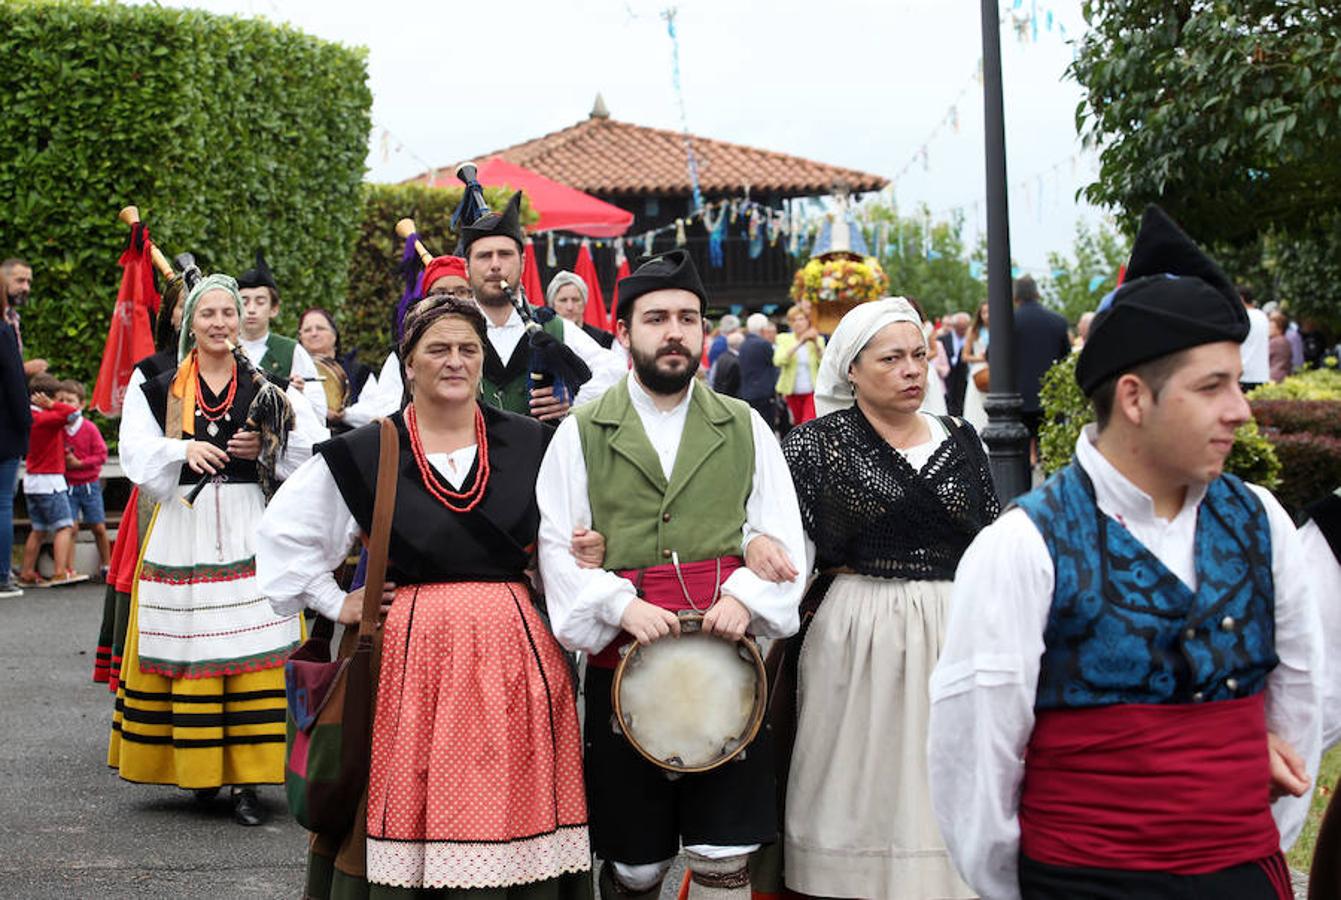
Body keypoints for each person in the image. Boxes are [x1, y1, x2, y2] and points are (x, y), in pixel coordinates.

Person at [927, 206, 1322, 900]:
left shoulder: (1259, 520)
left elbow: (1301, 699)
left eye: (1237, 382)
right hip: (1081, 884)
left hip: (1243, 873)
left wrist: (1239, 831)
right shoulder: (1024, 546)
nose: (1240, 410)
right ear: (1134, 398)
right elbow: (975, 758)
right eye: (1212, 387)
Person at [257, 295, 592, 898]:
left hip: (516, 654)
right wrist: (336, 604)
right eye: (438, 349)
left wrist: (581, 555)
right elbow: (283, 537)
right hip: (409, 660)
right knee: (407, 795)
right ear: (408, 364)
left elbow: (561, 545)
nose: (455, 361)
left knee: (510, 795)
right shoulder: (369, 450)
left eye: (469, 349)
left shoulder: (534, 444)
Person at [537, 249, 806, 900]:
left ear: (704, 334)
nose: (675, 331)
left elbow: (784, 535)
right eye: (656, 317)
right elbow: (554, 543)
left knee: (723, 851)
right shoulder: (581, 432)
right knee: (635, 861)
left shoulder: (744, 426)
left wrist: (745, 593)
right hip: (626, 666)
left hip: (727, 668)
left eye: (689, 318)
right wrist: (616, 604)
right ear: (625, 332)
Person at [775, 297, 999, 898]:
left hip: (951, 629)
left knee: (946, 773)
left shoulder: (963, 438)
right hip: (857, 631)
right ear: (852, 367)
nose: (912, 370)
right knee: (857, 773)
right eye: (892, 358)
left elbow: (987, 542)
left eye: (920, 355)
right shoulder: (814, 446)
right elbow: (793, 556)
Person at [109, 274, 318, 827]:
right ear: (190, 320)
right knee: (191, 645)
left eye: (229, 313)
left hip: (251, 521)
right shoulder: (156, 380)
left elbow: (308, 450)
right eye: (209, 314)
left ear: (242, 319)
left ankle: (248, 781)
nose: (221, 323)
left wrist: (266, 446)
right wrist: (184, 448)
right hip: (185, 523)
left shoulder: (267, 384)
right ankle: (199, 770)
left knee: (256, 645)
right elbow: (133, 450)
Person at [461, 192, 624, 420]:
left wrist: (574, 398)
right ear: (467, 268)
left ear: (523, 262)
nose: (495, 265)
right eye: (484, 256)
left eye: (505, 254)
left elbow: (617, 369)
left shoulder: (552, 325)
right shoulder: (451, 327)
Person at [236, 250, 328, 420]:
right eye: (244, 301)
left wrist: (296, 394)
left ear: (274, 309)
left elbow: (319, 413)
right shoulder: (223, 348)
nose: (251, 309)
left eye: (260, 302)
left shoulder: (291, 351)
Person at [18, 374, 83, 587]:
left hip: (31, 481)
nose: (60, 403)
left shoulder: (28, 416)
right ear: (44, 398)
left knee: (38, 529)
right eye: (57, 398)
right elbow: (74, 414)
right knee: (65, 526)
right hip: (50, 482)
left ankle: (27, 572)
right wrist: (53, 405)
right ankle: (60, 572)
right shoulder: (47, 418)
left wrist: (51, 404)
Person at [1013, 275, 1072, 462]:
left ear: (1016, 297)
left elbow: (992, 357)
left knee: (1019, 462)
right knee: (1052, 457)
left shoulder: (1007, 322)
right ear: (1038, 294)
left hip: (1017, 400)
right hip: (1051, 398)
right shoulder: (1058, 321)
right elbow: (1065, 358)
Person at [56, 380, 110, 578]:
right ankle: (69, 569)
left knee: (98, 526)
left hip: (89, 485)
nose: (65, 404)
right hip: (67, 485)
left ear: (80, 404)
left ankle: (107, 564)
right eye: (60, 400)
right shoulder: (58, 428)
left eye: (69, 400)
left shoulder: (89, 428)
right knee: (69, 527)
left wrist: (80, 463)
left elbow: (101, 455)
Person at [297, 307, 376, 433]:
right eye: (307, 330)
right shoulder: (293, 372)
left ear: (334, 335)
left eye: (320, 328)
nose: (314, 333)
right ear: (300, 338)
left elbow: (375, 412)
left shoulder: (359, 372)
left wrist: (344, 415)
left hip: (350, 443)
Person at [0, 277, 30, 598]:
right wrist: (27, 424)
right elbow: (15, 385)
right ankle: (1, 575)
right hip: (5, 433)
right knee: (2, 504)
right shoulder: (4, 331)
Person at [772, 304, 824, 426]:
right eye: (793, 320)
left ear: (808, 321)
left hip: (812, 391)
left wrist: (816, 344)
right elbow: (778, 360)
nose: (797, 323)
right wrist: (800, 342)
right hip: (792, 391)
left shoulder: (818, 339)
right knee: (798, 424)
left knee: (808, 423)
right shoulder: (783, 338)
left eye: (801, 319)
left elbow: (824, 363)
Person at [1, 257, 47, 377]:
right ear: (2, 281)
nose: (26, 288)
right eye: (20, 281)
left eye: (29, 282)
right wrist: (24, 369)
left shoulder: (13, 317)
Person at [547, 269, 616, 349]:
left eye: (575, 300)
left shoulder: (603, 340)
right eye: (563, 300)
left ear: (584, 303)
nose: (570, 307)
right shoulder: (544, 340)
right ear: (552, 304)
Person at [738, 312, 780, 431]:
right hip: (764, 392)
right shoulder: (764, 344)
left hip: (748, 391)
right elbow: (775, 363)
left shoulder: (744, 344)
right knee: (767, 427)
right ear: (762, 328)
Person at [961, 302, 990, 431]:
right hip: (979, 370)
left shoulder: (1000, 329)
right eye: (984, 312)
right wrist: (981, 358)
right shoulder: (974, 331)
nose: (987, 315)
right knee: (977, 408)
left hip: (995, 371)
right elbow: (965, 356)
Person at [1238, 284, 1271, 391]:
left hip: (1244, 374)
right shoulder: (1263, 316)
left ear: (1241, 298)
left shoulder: (1242, 317)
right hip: (1262, 374)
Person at [938, 311, 970, 416]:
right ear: (954, 326)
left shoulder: (971, 339)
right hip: (948, 379)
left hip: (965, 378)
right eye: (959, 327)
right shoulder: (943, 339)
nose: (961, 331)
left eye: (963, 328)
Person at [711, 330, 746, 398]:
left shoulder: (721, 357)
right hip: (729, 398)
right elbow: (733, 387)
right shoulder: (736, 362)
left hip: (719, 394)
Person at [1268, 310, 1293, 383]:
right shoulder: (1286, 341)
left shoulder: (1274, 342)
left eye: (1271, 328)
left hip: (1273, 377)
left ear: (1279, 329)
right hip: (1284, 376)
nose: (1268, 330)